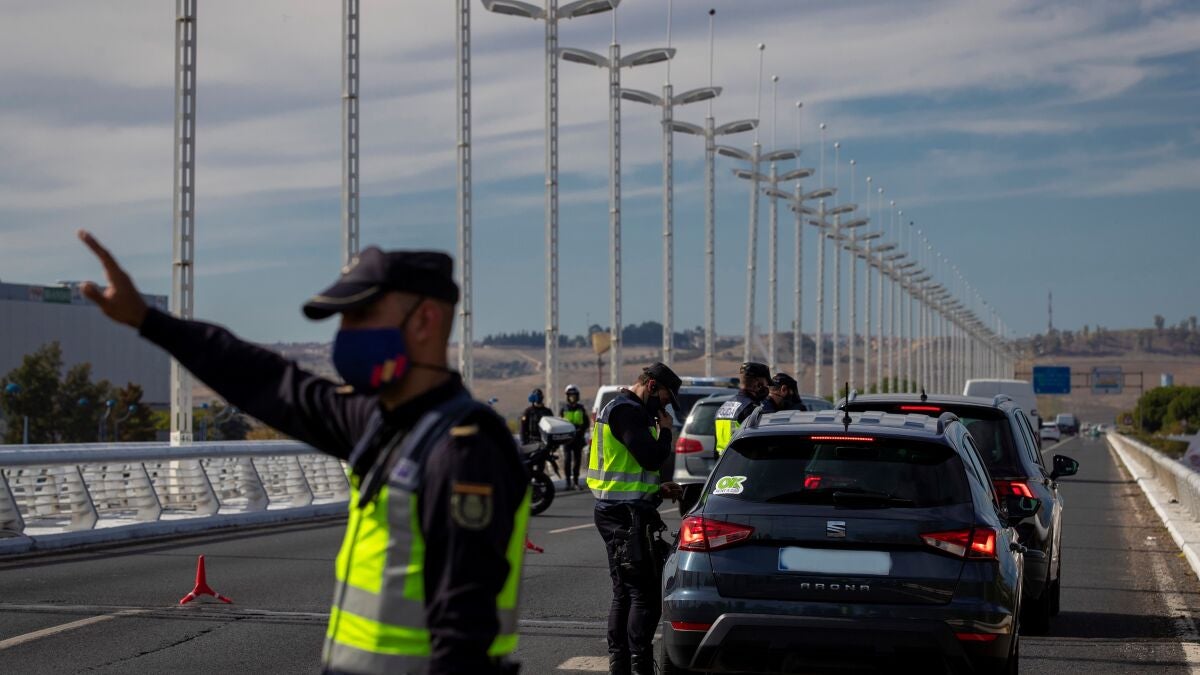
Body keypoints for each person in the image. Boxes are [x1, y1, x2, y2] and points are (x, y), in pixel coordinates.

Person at [77, 231, 528, 675]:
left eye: (361, 314)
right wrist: (148, 320)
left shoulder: (462, 449)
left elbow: (463, 637)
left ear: (425, 320)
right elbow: (264, 379)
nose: (345, 333)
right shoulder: (382, 424)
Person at [588, 363, 683, 675]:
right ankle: (637, 664)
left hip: (621, 510)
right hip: (624, 516)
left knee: (626, 592)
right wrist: (666, 431)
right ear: (652, 386)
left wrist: (656, 489)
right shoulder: (627, 412)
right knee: (643, 594)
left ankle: (622, 665)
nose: (666, 406)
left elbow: (630, 466)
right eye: (666, 398)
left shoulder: (623, 409)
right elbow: (651, 457)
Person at [713, 361, 771, 455]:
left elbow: (717, 446)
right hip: (743, 461)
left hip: (723, 462)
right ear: (758, 384)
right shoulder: (752, 410)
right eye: (766, 384)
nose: (767, 388)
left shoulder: (723, 407)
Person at [559, 384, 589, 490]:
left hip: (578, 439)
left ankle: (576, 481)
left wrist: (581, 430)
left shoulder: (581, 408)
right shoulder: (563, 409)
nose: (572, 397)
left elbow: (586, 422)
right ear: (567, 396)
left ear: (577, 396)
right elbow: (560, 423)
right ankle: (568, 482)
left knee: (577, 461)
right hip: (567, 440)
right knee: (567, 460)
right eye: (570, 395)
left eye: (574, 395)